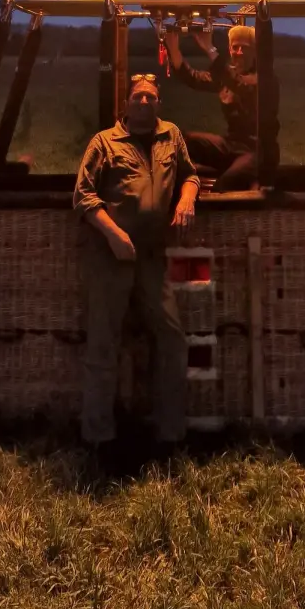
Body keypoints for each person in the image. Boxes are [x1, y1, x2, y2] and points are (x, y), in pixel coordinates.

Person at [73, 74, 199, 463]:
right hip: (112, 255)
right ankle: (99, 440)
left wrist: (186, 201)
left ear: (159, 104)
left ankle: (170, 435)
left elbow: (190, 174)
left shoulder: (171, 136)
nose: (144, 102)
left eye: (151, 97)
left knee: (173, 338)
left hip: (152, 255)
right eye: (138, 97)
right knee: (104, 343)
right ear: (125, 105)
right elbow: (82, 194)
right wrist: (112, 234)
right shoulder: (105, 142)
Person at [164, 22, 279, 190]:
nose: (239, 53)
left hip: (258, 151)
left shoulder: (263, 79)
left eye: (245, 48)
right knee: (181, 139)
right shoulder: (228, 76)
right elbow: (193, 78)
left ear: (255, 51)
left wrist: (210, 49)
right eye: (235, 47)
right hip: (231, 144)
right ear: (229, 49)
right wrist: (173, 47)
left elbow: (238, 84)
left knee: (225, 186)